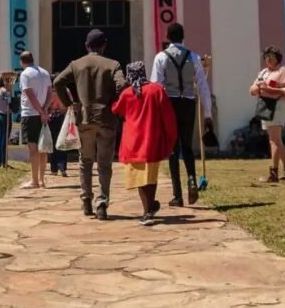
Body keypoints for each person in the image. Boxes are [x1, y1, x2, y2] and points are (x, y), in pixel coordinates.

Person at [51, 29, 126, 220]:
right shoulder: (113, 64)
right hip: (107, 118)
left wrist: (70, 103)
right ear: (104, 45)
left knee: (85, 161)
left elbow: (58, 81)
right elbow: (122, 85)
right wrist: (115, 103)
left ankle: (86, 200)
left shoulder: (77, 64)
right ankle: (102, 202)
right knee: (104, 164)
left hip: (84, 118)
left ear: (86, 46)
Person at [150, 23, 213, 207]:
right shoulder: (193, 57)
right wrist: (208, 113)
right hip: (188, 103)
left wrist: (155, 112)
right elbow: (202, 86)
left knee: (172, 149)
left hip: (170, 103)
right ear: (183, 37)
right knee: (187, 145)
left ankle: (177, 194)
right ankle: (192, 179)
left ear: (168, 37)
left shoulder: (161, 57)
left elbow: (156, 86)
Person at [113, 61, 177, 226]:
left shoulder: (127, 94)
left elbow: (116, 109)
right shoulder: (157, 90)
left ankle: (147, 210)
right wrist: (170, 138)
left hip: (132, 142)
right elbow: (168, 117)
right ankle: (149, 207)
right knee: (150, 177)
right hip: (152, 140)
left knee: (140, 179)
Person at [250, 46, 285, 183]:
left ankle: (274, 173)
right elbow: (252, 89)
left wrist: (269, 89)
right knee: (277, 140)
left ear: (277, 58)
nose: (269, 59)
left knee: (274, 140)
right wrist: (257, 88)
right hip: (265, 106)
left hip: (278, 105)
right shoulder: (263, 72)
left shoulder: (283, 71)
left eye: (271, 56)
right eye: (266, 56)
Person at [18, 51, 52, 189]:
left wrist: (39, 110)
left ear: (22, 61)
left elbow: (30, 95)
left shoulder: (25, 74)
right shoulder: (44, 72)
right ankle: (42, 179)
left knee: (33, 148)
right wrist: (44, 110)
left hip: (30, 114)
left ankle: (34, 180)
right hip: (42, 113)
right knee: (42, 147)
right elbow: (50, 93)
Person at [47, 91, 70, 178]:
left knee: (53, 143)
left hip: (52, 117)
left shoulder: (49, 93)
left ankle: (54, 169)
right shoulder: (65, 91)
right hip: (62, 117)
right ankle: (62, 166)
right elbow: (69, 104)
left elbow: (47, 105)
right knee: (63, 142)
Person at [0, 76, 13, 167]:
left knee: (0, 136)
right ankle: (4, 161)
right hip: (6, 114)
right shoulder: (5, 91)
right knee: (5, 138)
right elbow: (9, 102)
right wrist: (10, 92)